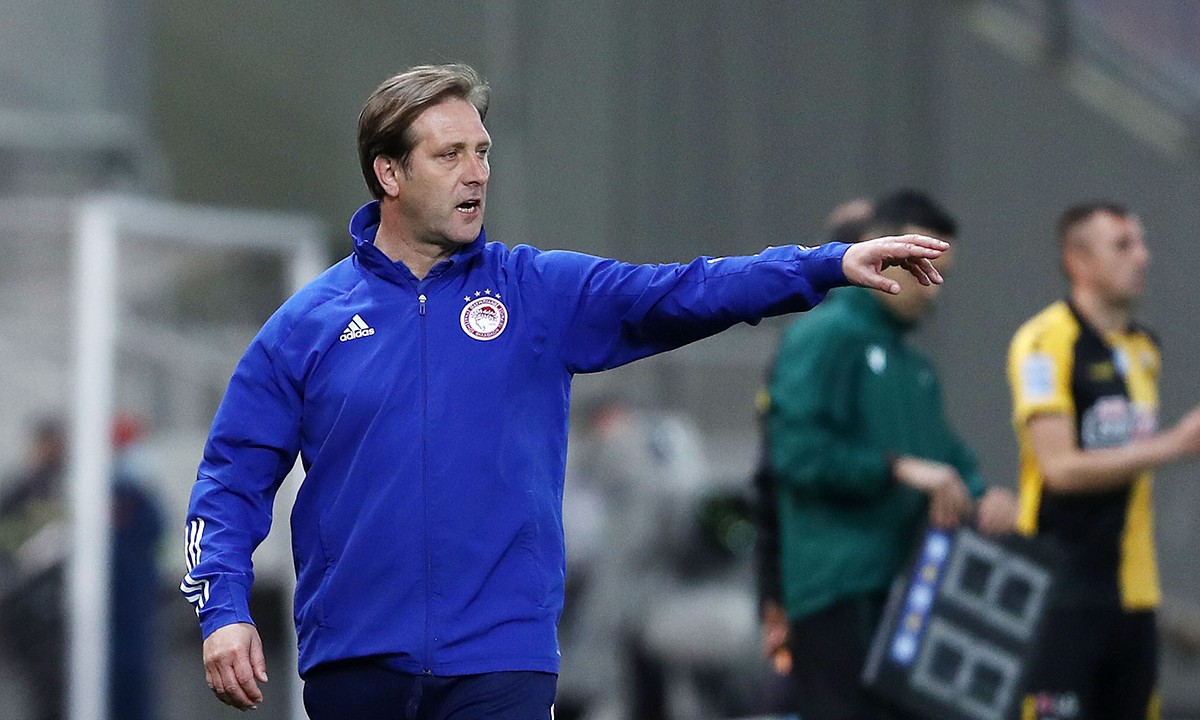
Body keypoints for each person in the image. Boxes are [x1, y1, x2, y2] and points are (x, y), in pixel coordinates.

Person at [181, 63, 954, 720]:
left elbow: (685, 290)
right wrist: (222, 609)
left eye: (482, 152)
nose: (477, 172)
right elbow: (229, 479)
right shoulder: (308, 325)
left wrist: (823, 265)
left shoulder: (536, 292)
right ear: (390, 172)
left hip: (500, 661)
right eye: (450, 155)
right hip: (356, 661)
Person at [763, 190, 1018, 720]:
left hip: (908, 588)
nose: (934, 288)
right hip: (839, 587)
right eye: (924, 269)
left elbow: (942, 456)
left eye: (942, 272)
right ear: (881, 250)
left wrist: (982, 495)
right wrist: (894, 468)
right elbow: (795, 453)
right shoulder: (824, 335)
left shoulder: (911, 363)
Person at [1008, 202, 1200, 720]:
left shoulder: (1143, 349)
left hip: (1135, 591)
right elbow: (1058, 469)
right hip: (1062, 590)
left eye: (1141, 243)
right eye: (1123, 245)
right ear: (1079, 260)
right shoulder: (1045, 342)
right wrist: (1176, 444)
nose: (1142, 257)